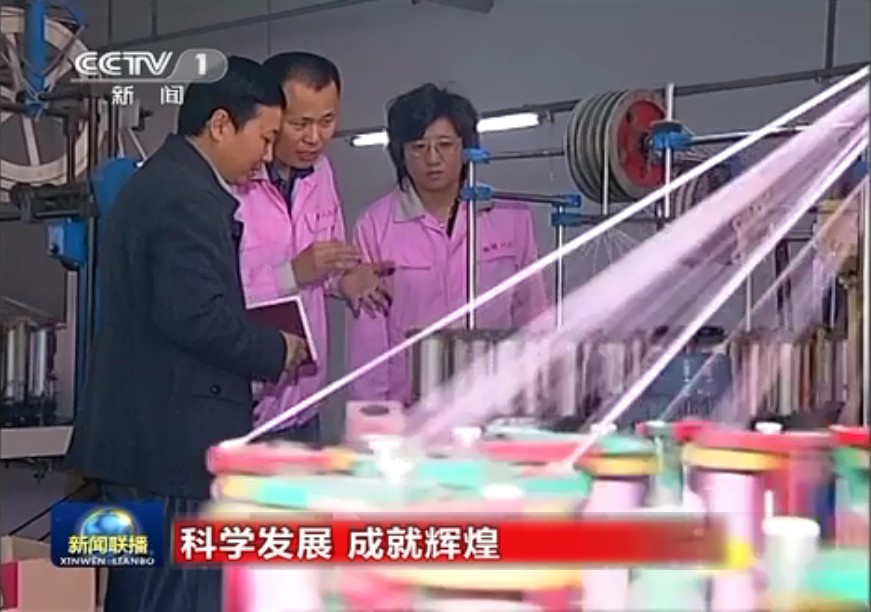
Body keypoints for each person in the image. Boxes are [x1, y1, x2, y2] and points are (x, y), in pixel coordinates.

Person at [65, 57, 309, 612]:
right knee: (170, 596)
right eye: (265, 137)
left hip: (141, 445)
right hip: (169, 451)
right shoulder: (186, 197)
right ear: (221, 124)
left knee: (137, 594)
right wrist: (276, 348)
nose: (267, 155)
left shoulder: (163, 183)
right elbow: (194, 316)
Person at [347, 83, 549, 405]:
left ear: (466, 147)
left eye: (445, 145)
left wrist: (539, 393)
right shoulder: (374, 226)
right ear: (400, 153)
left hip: (493, 398)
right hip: (410, 406)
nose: (432, 158)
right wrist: (372, 415)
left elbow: (532, 311)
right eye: (418, 147)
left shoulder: (511, 216)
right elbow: (369, 341)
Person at [233, 51, 391, 442]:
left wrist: (345, 280)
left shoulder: (320, 172)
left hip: (305, 400)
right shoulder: (235, 180)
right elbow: (206, 295)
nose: (315, 138)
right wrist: (291, 274)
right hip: (244, 404)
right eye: (300, 123)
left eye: (327, 121)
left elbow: (325, 262)